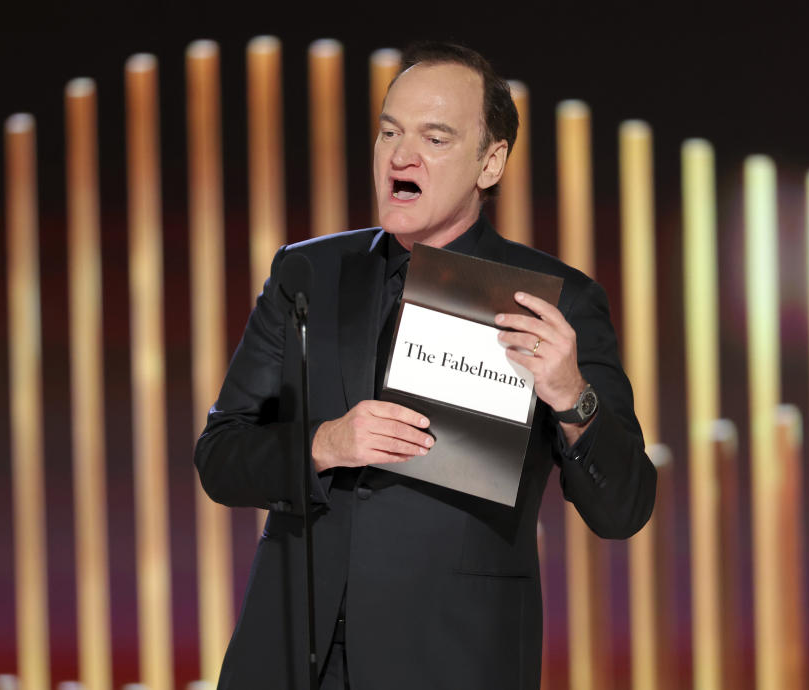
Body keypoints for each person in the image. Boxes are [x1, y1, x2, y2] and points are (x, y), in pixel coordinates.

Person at [195, 41, 656, 690]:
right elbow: (220, 457)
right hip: (291, 656)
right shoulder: (308, 272)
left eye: (434, 138)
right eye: (390, 132)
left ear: (489, 162)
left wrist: (571, 396)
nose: (400, 156)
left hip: (453, 660)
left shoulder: (554, 298)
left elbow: (625, 508)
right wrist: (324, 443)